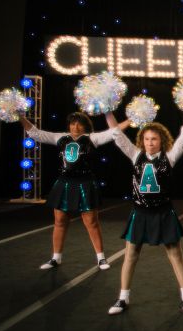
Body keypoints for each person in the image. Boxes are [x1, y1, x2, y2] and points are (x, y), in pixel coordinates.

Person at [104, 113, 183, 315]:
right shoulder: (135, 155)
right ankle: (123, 298)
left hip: (163, 212)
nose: (150, 143)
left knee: (175, 255)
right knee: (130, 255)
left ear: (161, 140)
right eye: (146, 139)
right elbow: (117, 135)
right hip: (140, 212)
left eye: (154, 139)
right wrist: (107, 110)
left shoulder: (169, 158)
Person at [19, 113, 125, 270]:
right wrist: (21, 116)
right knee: (60, 221)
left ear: (85, 126)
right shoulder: (60, 138)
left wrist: (131, 119)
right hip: (65, 183)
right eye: (72, 123)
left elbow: (115, 131)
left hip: (85, 183)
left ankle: (101, 258)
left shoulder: (92, 138)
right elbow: (35, 133)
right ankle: (56, 258)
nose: (75, 127)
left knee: (91, 222)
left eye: (79, 124)